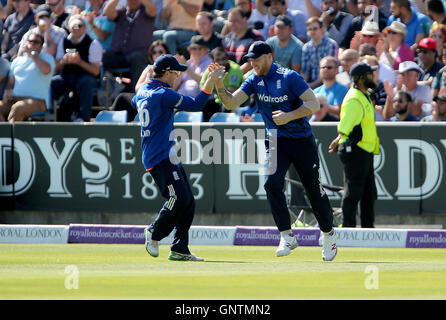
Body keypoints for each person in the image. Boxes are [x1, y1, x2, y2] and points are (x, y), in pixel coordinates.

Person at [213, 41, 338, 261]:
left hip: (301, 140)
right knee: (271, 184)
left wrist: (289, 115)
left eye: (256, 59)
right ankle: (286, 235)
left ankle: (328, 234)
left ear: (269, 56)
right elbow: (231, 103)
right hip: (275, 140)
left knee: (313, 189)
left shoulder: (289, 77)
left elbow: (313, 103)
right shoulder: (254, 78)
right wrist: (219, 85)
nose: (252, 63)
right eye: (250, 60)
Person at [134, 54, 221, 261]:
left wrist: (145, 75)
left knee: (188, 201)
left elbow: (134, 96)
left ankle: (180, 248)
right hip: (159, 155)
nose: (178, 77)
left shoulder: (143, 91)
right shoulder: (163, 94)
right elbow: (197, 104)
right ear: (166, 73)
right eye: (175, 72)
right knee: (178, 198)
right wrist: (210, 80)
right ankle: (154, 232)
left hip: (163, 153)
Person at [328, 62, 380, 228]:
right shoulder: (354, 98)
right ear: (362, 78)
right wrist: (339, 138)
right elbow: (346, 125)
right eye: (370, 74)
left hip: (365, 149)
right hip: (356, 149)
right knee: (354, 191)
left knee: (368, 193)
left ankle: (368, 228)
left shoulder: (363, 95)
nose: (374, 77)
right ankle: (349, 228)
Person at [51, 14, 103, 122]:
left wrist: (79, 62)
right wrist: (64, 61)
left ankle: (83, 118)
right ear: (69, 28)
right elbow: (56, 66)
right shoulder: (64, 41)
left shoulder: (93, 43)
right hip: (67, 75)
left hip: (86, 76)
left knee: (86, 82)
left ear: (84, 27)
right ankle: (50, 115)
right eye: (74, 26)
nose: (77, 29)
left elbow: (96, 71)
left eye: (80, 26)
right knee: (52, 82)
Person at [103, 0, 156, 92]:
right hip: (120, 54)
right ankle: (113, 87)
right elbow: (108, 12)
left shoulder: (146, 12)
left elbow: (153, 9)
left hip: (139, 55)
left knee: (136, 57)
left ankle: (134, 95)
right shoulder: (121, 12)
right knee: (105, 56)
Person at [110, 40, 170, 122]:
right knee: (122, 98)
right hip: (144, 98)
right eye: (154, 52)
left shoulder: (171, 70)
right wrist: (148, 79)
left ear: (166, 53)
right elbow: (137, 88)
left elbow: (173, 89)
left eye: (160, 52)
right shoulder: (149, 69)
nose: (157, 54)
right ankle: (112, 126)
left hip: (160, 101)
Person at [0, 33, 54, 122]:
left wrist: (34, 55)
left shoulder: (47, 58)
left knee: (18, 108)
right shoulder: (17, 61)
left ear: (41, 46)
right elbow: (11, 81)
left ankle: (14, 135)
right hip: (14, 99)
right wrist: (7, 91)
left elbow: (46, 70)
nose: (32, 44)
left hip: (38, 101)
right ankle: (4, 134)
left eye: (36, 42)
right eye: (30, 41)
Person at [200, 46, 244, 121]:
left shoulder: (235, 69)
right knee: (204, 105)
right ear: (213, 61)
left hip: (234, 101)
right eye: (217, 60)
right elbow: (202, 87)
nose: (221, 62)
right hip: (218, 101)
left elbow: (231, 91)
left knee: (227, 105)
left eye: (224, 59)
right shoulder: (211, 69)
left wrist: (213, 87)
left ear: (227, 58)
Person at [222, 7, 264, 74]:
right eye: (230, 21)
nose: (233, 24)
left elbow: (253, 62)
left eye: (236, 21)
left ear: (244, 20)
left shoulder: (256, 38)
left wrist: (234, 74)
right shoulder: (226, 39)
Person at [301, 16, 338, 89]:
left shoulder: (331, 44)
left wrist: (311, 86)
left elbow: (329, 71)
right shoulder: (306, 47)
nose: (312, 31)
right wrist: (302, 85)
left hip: (329, 84)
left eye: (315, 28)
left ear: (322, 29)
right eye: (309, 29)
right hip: (312, 86)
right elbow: (305, 72)